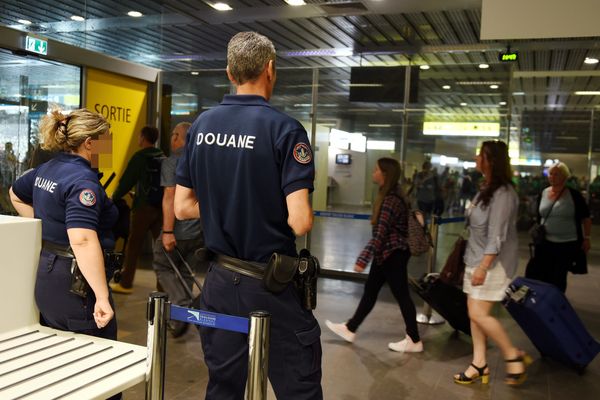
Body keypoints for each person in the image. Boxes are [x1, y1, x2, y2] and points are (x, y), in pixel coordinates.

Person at [174, 31, 321, 399]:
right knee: (297, 387)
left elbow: (182, 208)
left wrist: (229, 206)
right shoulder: (285, 130)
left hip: (220, 282)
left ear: (229, 72)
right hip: (270, 284)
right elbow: (299, 221)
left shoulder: (201, 127)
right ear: (270, 69)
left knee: (224, 387)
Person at [9, 108, 118, 339]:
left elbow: (15, 194)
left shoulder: (47, 169)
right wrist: (101, 296)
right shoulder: (82, 181)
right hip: (77, 284)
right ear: (89, 143)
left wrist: (43, 226)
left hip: (48, 274)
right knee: (95, 358)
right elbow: (83, 240)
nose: (108, 149)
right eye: (106, 142)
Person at [325, 158, 423, 353]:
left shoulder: (390, 200)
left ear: (385, 174)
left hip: (392, 254)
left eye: (377, 170)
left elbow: (380, 234)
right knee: (371, 291)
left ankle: (414, 339)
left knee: (402, 295)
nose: (373, 172)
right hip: (386, 254)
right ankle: (350, 328)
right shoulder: (393, 195)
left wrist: (362, 259)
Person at [454, 140, 531, 386]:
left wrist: (483, 267)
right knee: (473, 315)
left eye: (481, 155)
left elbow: (497, 235)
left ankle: (512, 355)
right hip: (475, 258)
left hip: (491, 264)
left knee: (478, 313)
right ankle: (479, 363)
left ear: (492, 161)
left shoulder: (504, 193)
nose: (477, 158)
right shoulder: (485, 188)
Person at [152, 121, 205, 337]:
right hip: (199, 230)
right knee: (185, 272)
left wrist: (167, 231)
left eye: (173, 134)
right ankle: (181, 317)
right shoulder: (203, 159)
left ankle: (182, 306)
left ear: (177, 137)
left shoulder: (173, 161)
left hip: (179, 230)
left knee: (162, 265)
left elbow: (170, 196)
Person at [110, 126, 165, 293]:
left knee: (133, 246)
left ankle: (126, 284)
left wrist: (114, 197)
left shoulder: (139, 157)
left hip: (142, 208)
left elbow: (127, 181)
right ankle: (162, 287)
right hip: (160, 208)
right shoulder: (162, 156)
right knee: (161, 249)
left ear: (143, 137)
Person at [525, 162, 591, 292]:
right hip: (545, 242)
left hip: (566, 244)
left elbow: (586, 217)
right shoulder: (543, 193)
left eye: (557, 174)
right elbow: (539, 215)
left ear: (565, 177)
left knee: (559, 276)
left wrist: (587, 237)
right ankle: (543, 300)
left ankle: (556, 301)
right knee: (542, 273)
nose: (553, 177)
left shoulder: (574, 195)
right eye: (551, 174)